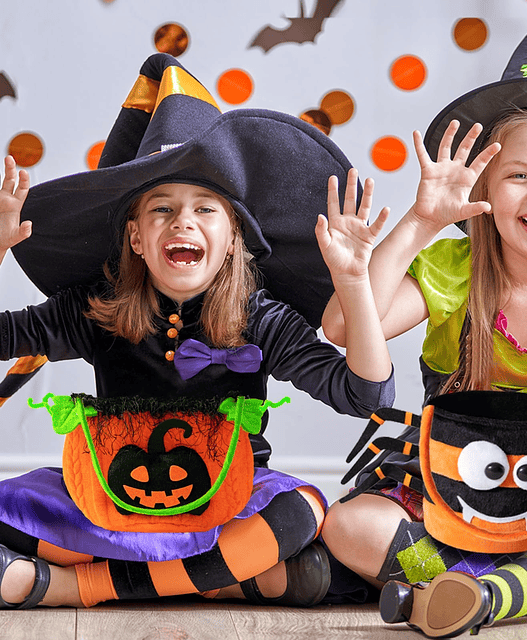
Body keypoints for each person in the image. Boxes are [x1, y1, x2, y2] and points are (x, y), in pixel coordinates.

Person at [0, 53, 394, 609]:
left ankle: (75, 585)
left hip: (233, 497)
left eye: (205, 208)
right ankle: (233, 579)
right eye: (162, 208)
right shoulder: (96, 309)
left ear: (233, 237)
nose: (182, 221)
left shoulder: (262, 318)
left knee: (301, 512)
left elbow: (367, 396)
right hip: (105, 492)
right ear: (136, 237)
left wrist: (353, 283)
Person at [321, 28, 527, 635]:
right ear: (484, 190)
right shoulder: (452, 270)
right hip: (445, 495)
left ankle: (469, 594)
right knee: (350, 525)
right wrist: (418, 221)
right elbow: (343, 326)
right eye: (518, 174)